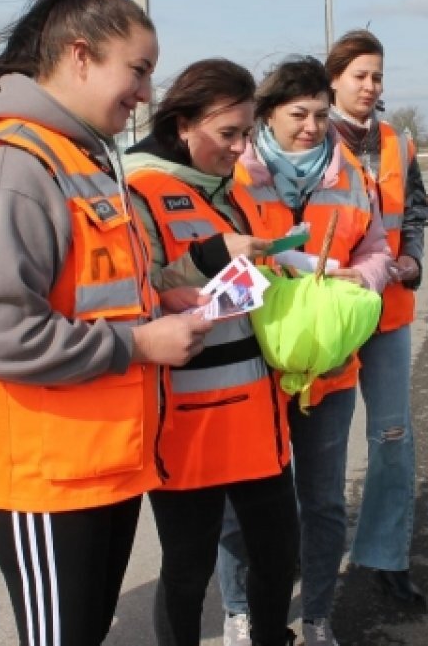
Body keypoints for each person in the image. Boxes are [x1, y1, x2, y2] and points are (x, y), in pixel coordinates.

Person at [0, 0, 214, 646]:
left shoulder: (78, 159)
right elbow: (0, 334)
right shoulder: (12, 169)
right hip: (46, 474)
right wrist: (143, 346)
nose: (147, 92)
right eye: (139, 70)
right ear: (80, 55)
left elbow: (88, 292)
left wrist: (155, 301)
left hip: (97, 464)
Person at [122, 58, 299, 646]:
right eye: (229, 134)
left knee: (278, 557)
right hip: (188, 427)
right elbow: (132, 297)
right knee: (188, 572)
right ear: (181, 126)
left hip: (259, 415)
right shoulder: (138, 192)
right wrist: (206, 259)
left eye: (248, 132)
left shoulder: (230, 190)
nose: (241, 147)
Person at [217, 55, 393, 646]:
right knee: (241, 501)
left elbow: (378, 250)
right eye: (299, 114)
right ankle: (239, 610)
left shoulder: (351, 175)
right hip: (252, 369)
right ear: (267, 114)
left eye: (321, 114)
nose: (313, 126)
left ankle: (317, 616)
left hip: (329, 371)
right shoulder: (232, 177)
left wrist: (361, 280)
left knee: (321, 502)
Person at [326, 29, 428, 605]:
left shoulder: (398, 140)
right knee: (324, 442)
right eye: (360, 75)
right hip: (330, 316)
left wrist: (411, 255)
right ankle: (312, 550)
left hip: (389, 312)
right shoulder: (310, 139)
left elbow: (413, 212)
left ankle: (385, 555)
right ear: (334, 78)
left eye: (377, 76)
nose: (369, 86)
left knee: (392, 435)